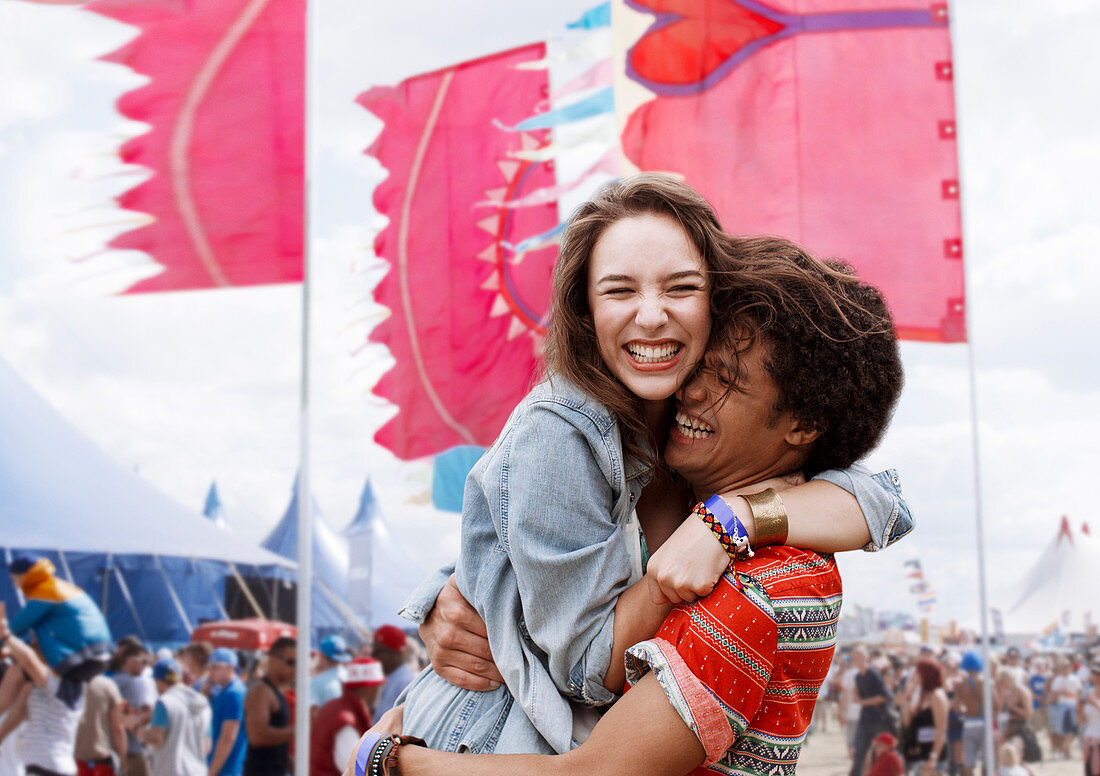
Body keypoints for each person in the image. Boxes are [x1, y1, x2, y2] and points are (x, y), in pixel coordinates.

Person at [345, 237, 905, 776]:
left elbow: (598, 772)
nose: (691, 389)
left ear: (803, 425)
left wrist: (387, 760)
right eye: (703, 364)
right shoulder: (670, 483)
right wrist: (446, 597)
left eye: (727, 380)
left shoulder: (768, 582)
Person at [0, 556, 112, 713]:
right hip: (95, 654)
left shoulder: (46, 591)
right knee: (26, 678)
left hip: (78, 658)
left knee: (17, 672)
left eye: (13, 579)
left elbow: (15, 628)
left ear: (22, 576)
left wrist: (4, 642)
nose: (14, 585)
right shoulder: (58, 586)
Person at [0, 604, 85, 776]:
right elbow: (18, 712)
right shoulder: (45, 684)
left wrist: (6, 635)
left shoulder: (60, 681)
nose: (33, 643)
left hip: (50, 769)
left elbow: (29, 663)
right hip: (47, 768)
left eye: (37, 641)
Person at [311, 658, 385, 776]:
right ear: (370, 689)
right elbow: (356, 769)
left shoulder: (333, 707)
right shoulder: (345, 721)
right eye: (378, 687)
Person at [142, 658, 211, 776]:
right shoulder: (203, 703)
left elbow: (156, 739)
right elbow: (207, 746)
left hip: (171, 771)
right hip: (198, 771)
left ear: (158, 681)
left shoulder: (165, 702)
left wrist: (136, 729)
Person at [242, 637, 295, 776]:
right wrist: (300, 730)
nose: (296, 668)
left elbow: (276, 745)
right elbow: (257, 736)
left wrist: (291, 764)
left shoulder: (276, 692)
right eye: (291, 662)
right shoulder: (261, 692)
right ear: (272, 659)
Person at [110, 643, 157, 776]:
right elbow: (129, 717)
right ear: (130, 660)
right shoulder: (132, 682)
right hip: (134, 751)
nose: (146, 665)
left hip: (115, 749)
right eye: (143, 661)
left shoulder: (113, 680)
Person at [851, 647, 895, 776]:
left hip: (879, 719)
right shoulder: (858, 676)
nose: (855, 660)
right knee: (859, 753)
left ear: (866, 658)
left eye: (858, 656)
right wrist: (857, 697)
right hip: (865, 718)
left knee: (880, 754)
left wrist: (862, 702)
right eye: (854, 657)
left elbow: (884, 697)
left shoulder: (873, 674)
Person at [74, 673, 128, 776]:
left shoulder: (66, 682)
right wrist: (123, 761)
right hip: (101, 762)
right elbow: (118, 728)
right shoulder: (108, 685)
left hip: (73, 761)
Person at [901, 659, 949, 774]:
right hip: (921, 752)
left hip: (934, 754)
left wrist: (934, 757)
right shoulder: (922, 695)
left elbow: (941, 729)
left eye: (917, 672)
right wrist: (908, 698)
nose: (915, 675)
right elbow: (907, 722)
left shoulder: (937, 695)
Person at [206, 648, 248, 776]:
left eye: (215, 667)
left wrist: (211, 772)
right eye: (209, 666)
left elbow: (228, 737)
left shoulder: (233, 693)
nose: (210, 671)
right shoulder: (222, 690)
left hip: (227, 769)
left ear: (229, 667)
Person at [953, 651, 986, 776]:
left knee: (968, 762)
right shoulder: (984, 682)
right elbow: (995, 704)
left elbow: (956, 707)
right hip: (983, 720)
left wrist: (965, 709)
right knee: (986, 761)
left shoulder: (960, 684)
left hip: (969, 722)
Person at [370, 628, 410, 719]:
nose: (373, 656)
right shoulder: (391, 678)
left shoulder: (405, 684)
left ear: (395, 652)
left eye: (378, 652)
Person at [1048, 657, 1082, 759]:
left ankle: (1066, 748)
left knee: (1073, 730)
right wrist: (1060, 693)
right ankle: (1064, 750)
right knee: (1063, 730)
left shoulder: (1075, 678)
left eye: (1066, 667)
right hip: (1062, 707)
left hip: (1073, 705)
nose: (1065, 670)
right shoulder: (1057, 680)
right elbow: (1053, 695)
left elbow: (1079, 692)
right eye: (1063, 667)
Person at [312, 636, 353, 715]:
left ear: (322, 656)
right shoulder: (350, 676)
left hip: (328, 724)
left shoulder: (316, 682)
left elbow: (313, 712)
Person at [1082, 663, 1100, 776]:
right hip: (1090, 733)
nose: (1093, 676)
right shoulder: (1089, 692)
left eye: (1096, 674)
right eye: (1093, 673)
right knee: (1089, 769)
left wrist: (1095, 702)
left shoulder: (1091, 696)